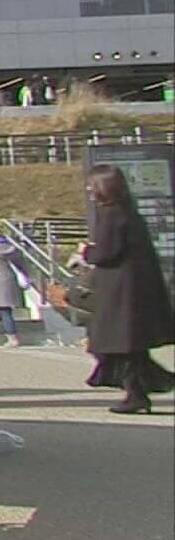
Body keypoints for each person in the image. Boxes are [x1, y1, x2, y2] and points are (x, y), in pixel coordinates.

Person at [80, 166, 175, 414]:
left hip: (119, 293)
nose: (89, 190)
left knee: (117, 345)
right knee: (129, 348)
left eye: (92, 185)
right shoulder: (128, 213)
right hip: (132, 291)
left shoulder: (111, 215)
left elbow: (106, 253)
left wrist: (86, 252)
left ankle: (141, 391)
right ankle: (139, 392)